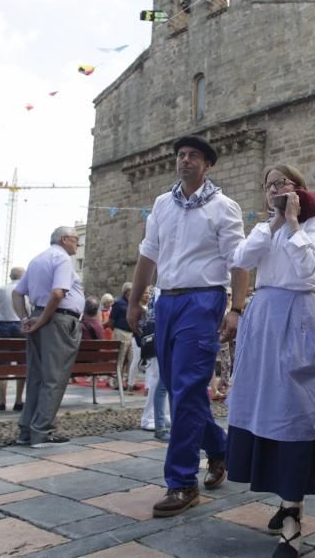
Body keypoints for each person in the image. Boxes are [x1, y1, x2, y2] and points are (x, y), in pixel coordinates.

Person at [126, 135, 248, 518]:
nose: (185, 160)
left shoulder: (224, 207)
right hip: (167, 301)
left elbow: (239, 261)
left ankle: (181, 483)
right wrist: (134, 300)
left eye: (193, 155)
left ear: (207, 164)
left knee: (189, 386)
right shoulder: (162, 204)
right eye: (181, 155)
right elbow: (149, 254)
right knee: (182, 393)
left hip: (203, 299)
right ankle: (221, 447)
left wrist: (237, 308)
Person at [226, 164, 315, 558]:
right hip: (264, 317)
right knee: (261, 407)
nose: (274, 189)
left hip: (297, 316)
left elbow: (306, 265)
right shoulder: (262, 228)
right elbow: (241, 258)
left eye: (281, 183)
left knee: (294, 410)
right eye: (268, 185)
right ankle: (285, 498)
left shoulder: (314, 224)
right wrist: (272, 223)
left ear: (299, 188)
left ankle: (292, 511)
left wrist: (292, 221)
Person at [13, 226, 84, 447]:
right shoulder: (61, 259)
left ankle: (26, 430)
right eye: (75, 240)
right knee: (54, 378)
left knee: (36, 376)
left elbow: (17, 293)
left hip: (39, 317)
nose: (77, 244)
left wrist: (26, 319)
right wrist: (44, 318)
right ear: (64, 240)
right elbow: (58, 293)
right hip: (57, 320)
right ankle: (41, 431)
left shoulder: (36, 260)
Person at [137, 287, 171, 440]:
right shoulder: (160, 291)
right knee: (159, 380)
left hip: (161, 337)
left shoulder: (158, 291)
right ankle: (152, 419)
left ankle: (160, 418)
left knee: (160, 380)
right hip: (162, 337)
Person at [0, 267, 26, 411]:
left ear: (10, 276)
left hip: (4, 324)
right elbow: (29, 310)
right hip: (20, 325)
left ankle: (2, 400)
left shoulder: (1, 289)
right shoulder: (25, 289)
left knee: (3, 364)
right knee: (21, 363)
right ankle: (18, 400)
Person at [109, 283, 136, 390]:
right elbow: (111, 321)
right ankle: (117, 383)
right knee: (120, 358)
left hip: (130, 334)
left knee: (132, 359)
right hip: (121, 332)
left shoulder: (132, 302)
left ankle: (130, 382)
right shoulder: (118, 303)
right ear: (127, 292)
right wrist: (116, 331)